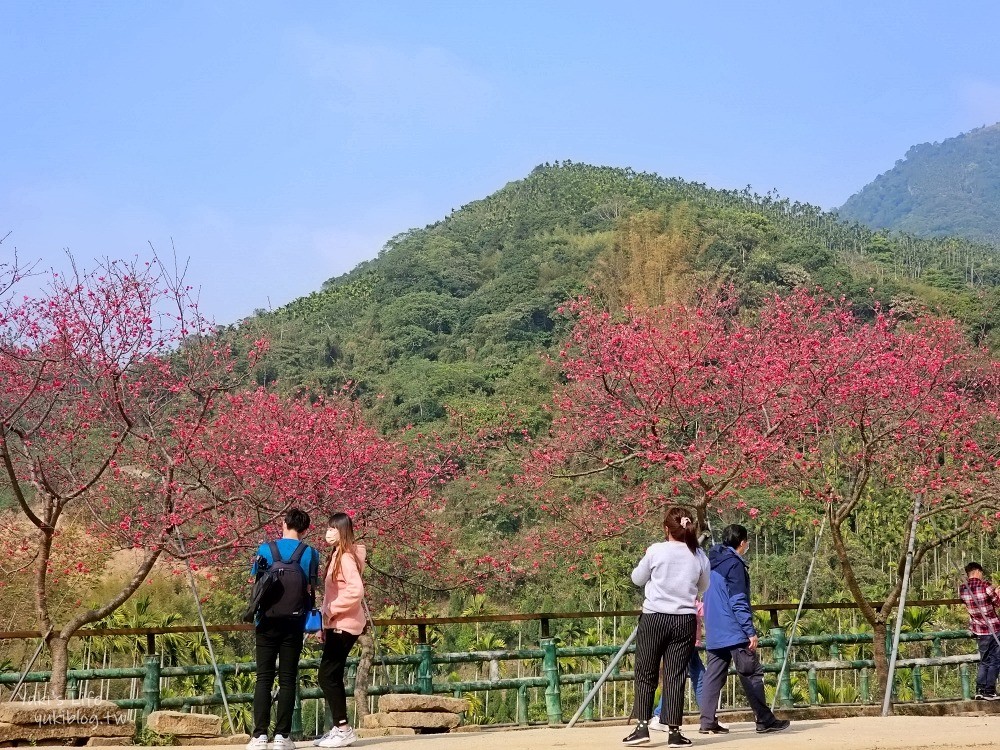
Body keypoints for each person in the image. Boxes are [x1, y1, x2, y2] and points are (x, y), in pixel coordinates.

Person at [623, 506, 710, 748]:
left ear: (666, 529)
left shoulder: (656, 551)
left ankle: (642, 727)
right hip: (684, 620)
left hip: (654, 618)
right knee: (676, 675)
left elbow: (637, 579)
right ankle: (674, 731)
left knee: (646, 673)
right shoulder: (699, 555)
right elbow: (702, 586)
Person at [699, 524, 789, 735]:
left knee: (713, 676)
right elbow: (738, 600)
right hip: (733, 629)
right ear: (742, 543)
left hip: (714, 628)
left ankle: (707, 721)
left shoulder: (710, 562)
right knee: (751, 673)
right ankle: (764, 720)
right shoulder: (734, 565)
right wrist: (749, 631)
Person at [248, 509, 320, 750]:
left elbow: (255, 582)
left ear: (284, 523)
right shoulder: (311, 553)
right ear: (305, 529)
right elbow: (311, 587)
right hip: (294, 623)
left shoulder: (265, 549)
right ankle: (282, 736)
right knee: (288, 679)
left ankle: (259, 736)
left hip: (266, 622)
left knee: (264, 678)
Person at [314, 512, 368, 749]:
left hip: (344, 624)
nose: (329, 532)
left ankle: (344, 728)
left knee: (327, 675)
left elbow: (356, 591)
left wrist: (332, 610)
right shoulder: (337, 554)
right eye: (328, 528)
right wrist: (325, 622)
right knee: (331, 675)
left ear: (343, 531)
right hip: (337, 623)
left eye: (334, 528)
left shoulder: (345, 556)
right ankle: (339, 727)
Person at [650, 600, 706, 732]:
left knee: (698, 675)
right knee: (682, 677)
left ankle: (708, 714)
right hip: (686, 640)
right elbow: (704, 610)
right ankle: (659, 715)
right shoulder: (688, 600)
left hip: (689, 641)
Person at [958, 562, 1000, 700]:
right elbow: (998, 603)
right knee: (995, 660)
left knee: (984, 660)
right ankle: (990, 691)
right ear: (977, 571)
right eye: (981, 572)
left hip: (979, 629)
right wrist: (997, 593)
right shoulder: (985, 586)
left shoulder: (963, 589)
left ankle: (980, 690)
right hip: (993, 628)